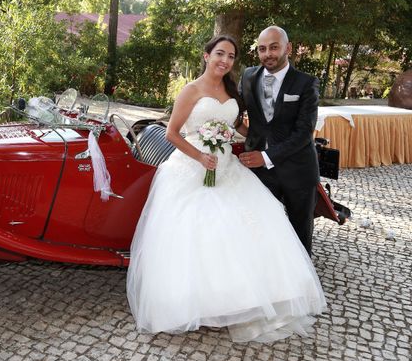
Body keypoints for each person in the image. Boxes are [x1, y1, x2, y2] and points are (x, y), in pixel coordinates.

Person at [126, 35, 326, 342]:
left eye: (231, 56)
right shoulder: (191, 90)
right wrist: (200, 157)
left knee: (255, 219)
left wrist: (252, 139)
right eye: (220, 53)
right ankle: (195, 301)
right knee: (200, 230)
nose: (225, 60)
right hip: (192, 166)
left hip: (228, 165)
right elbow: (172, 133)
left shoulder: (233, 88)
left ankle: (256, 295)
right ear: (206, 56)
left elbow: (237, 126)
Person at [238, 26, 320, 255]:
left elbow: (304, 133)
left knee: (299, 232)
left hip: (298, 170)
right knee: (260, 227)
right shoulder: (248, 76)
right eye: (262, 49)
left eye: (274, 47)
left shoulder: (306, 83)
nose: (268, 54)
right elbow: (234, 109)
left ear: (288, 48)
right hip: (259, 173)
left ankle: (301, 283)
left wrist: (264, 157)